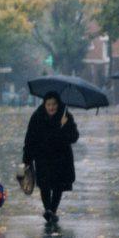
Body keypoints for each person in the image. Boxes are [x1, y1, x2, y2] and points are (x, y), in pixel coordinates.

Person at [23, 91, 80, 222]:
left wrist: (66, 125)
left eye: (54, 104)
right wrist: (26, 158)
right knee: (44, 185)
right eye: (48, 104)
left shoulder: (66, 116)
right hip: (42, 157)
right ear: (44, 104)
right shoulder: (37, 116)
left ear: (58, 104)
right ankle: (48, 209)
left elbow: (74, 137)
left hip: (61, 157)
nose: (51, 107)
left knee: (58, 185)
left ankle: (52, 211)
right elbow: (30, 138)